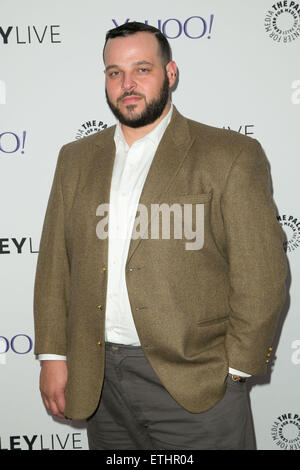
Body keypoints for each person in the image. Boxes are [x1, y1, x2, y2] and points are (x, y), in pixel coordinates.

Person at [34, 22, 287, 450]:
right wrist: (54, 356)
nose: (127, 84)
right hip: (99, 380)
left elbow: (262, 272)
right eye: (115, 72)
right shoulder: (75, 159)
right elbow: (56, 263)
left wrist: (237, 369)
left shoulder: (229, 155)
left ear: (170, 74)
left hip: (197, 383)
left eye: (142, 69)